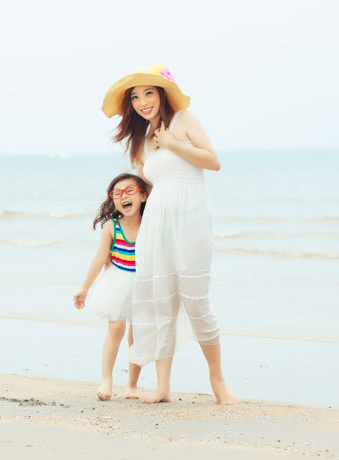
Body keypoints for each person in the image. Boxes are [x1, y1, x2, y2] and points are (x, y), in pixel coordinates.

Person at [102, 64, 237, 404]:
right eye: (135, 97)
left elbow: (213, 161)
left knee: (196, 300)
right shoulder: (140, 140)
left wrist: (174, 144)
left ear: (163, 93)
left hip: (191, 217)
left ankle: (218, 382)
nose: (142, 102)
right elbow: (141, 188)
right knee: (161, 302)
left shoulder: (183, 120)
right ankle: (162, 386)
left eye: (148, 93)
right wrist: (118, 228)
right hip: (156, 222)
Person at [73, 173, 149, 401]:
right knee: (116, 328)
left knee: (138, 335)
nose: (123, 196)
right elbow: (99, 259)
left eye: (130, 191)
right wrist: (84, 288)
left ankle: (132, 385)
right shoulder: (111, 226)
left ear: (143, 196)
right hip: (118, 281)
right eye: (117, 193)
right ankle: (106, 379)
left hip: (144, 284)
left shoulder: (151, 222)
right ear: (112, 200)